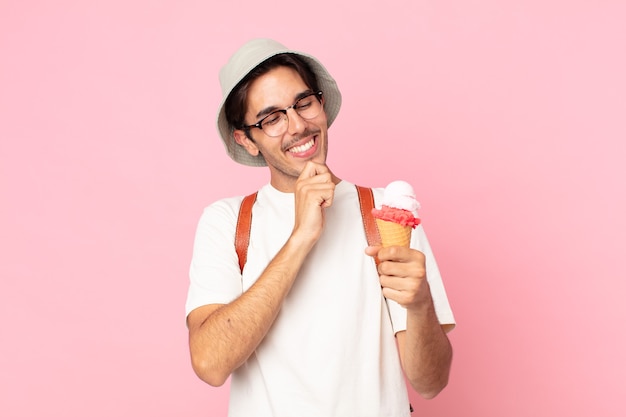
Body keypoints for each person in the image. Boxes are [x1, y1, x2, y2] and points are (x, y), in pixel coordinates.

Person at [186, 38, 455, 417]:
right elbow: (210, 364)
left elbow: (431, 383)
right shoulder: (228, 223)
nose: (298, 125)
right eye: (272, 118)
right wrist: (301, 237)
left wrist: (421, 303)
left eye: (303, 103)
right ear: (247, 140)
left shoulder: (384, 212)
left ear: (321, 104)